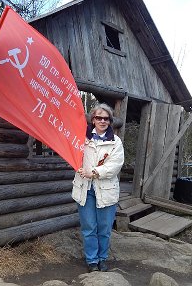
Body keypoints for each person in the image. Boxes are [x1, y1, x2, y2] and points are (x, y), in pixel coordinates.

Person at [72, 103, 124, 272]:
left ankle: (103, 258)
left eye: (106, 118)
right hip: (85, 189)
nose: (102, 121)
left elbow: (115, 166)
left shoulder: (115, 142)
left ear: (110, 121)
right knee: (89, 228)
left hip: (106, 190)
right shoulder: (81, 138)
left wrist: (93, 171)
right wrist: (77, 165)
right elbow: (72, 154)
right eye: (98, 118)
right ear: (93, 119)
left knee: (104, 229)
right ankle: (92, 260)